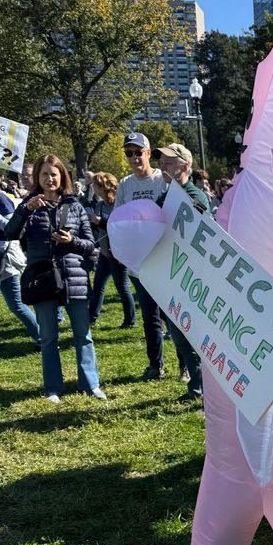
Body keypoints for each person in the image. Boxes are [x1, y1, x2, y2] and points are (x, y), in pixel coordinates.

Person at [4, 154, 105, 402]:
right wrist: (26, 209)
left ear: (62, 177)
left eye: (54, 174)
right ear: (38, 178)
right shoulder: (29, 206)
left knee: (83, 335)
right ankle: (52, 388)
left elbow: (90, 245)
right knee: (48, 337)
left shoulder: (75, 206)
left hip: (74, 277)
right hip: (43, 278)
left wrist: (72, 241)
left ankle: (90, 384)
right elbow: (10, 232)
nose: (50, 179)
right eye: (45, 174)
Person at [151, 143, 207, 402]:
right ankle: (197, 386)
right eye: (162, 162)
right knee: (178, 336)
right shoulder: (165, 197)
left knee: (193, 337)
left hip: (191, 278)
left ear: (185, 166)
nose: (163, 166)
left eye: (169, 162)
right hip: (171, 276)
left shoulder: (195, 196)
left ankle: (203, 389)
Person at [114, 132, 167, 379]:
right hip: (140, 263)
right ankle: (155, 366)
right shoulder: (125, 185)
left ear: (148, 152)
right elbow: (119, 219)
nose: (134, 157)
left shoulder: (162, 180)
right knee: (150, 318)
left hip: (164, 258)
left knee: (173, 317)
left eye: (138, 152)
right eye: (129, 153)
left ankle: (186, 367)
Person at [0, 176, 41, 355]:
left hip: (5, 259)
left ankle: (42, 337)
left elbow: (11, 228)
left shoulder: (0, 199)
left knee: (16, 304)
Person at [87, 172, 136, 328]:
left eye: (95, 185)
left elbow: (120, 226)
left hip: (118, 253)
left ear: (102, 187)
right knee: (98, 286)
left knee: (122, 288)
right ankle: (91, 318)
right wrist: (93, 223)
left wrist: (101, 221)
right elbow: (100, 229)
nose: (93, 188)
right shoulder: (100, 205)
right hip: (104, 253)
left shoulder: (119, 204)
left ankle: (130, 320)